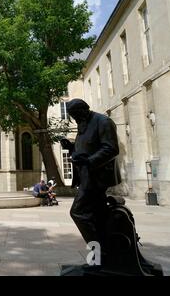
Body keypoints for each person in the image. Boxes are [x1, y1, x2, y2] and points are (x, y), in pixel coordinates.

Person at [60, 99, 121, 259]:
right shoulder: (84, 123)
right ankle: (104, 251)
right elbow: (86, 147)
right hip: (87, 176)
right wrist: (71, 147)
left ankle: (101, 252)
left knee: (78, 212)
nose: (75, 119)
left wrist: (89, 161)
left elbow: (111, 148)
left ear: (84, 110)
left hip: (97, 177)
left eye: (76, 115)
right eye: (73, 116)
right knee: (96, 214)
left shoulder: (103, 121)